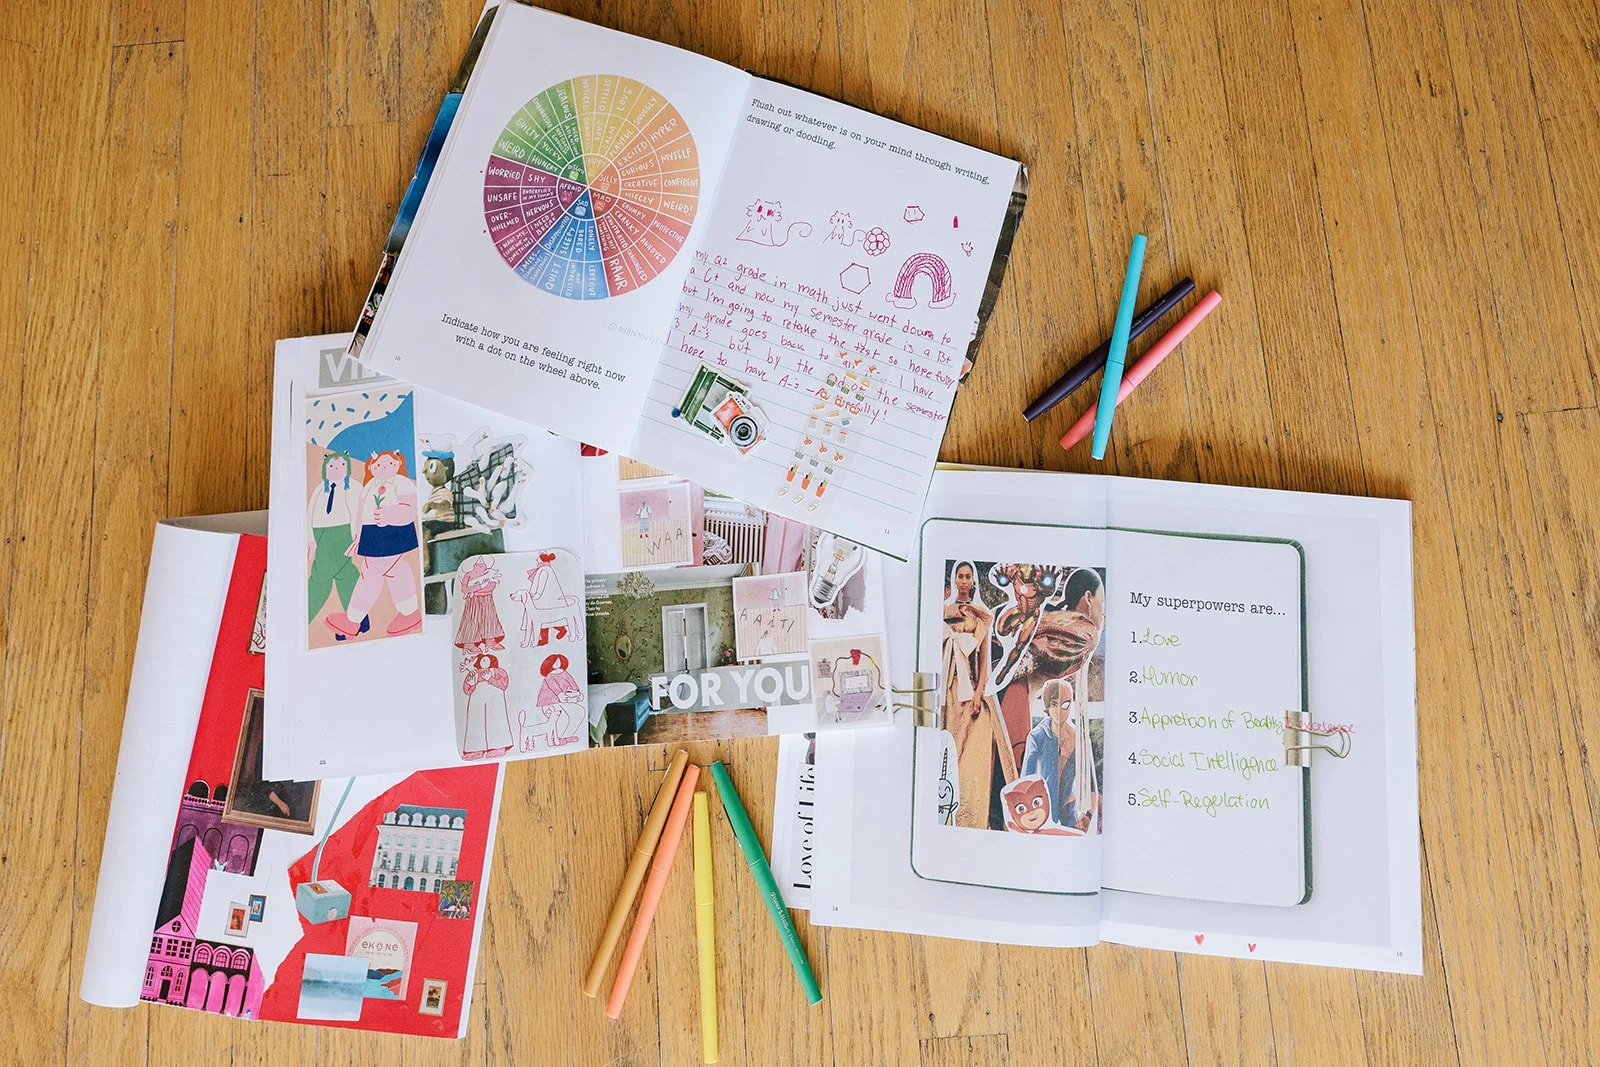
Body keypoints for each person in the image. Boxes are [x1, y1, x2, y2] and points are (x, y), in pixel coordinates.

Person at [939, 560, 1017, 829]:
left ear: (973, 581)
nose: (963, 581)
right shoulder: (943, 611)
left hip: (971, 690)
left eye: (967, 576)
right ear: (954, 579)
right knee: (947, 755)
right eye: (960, 576)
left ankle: (974, 820)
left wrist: (978, 692)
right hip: (948, 691)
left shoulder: (981, 614)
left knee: (973, 762)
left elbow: (985, 660)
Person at [326, 449, 422, 638]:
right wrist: (357, 537)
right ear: (371, 467)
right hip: (372, 535)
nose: (383, 467)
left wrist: (390, 514)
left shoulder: (402, 483)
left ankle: (352, 620)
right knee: (395, 570)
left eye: (389, 463)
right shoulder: (369, 485)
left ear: (398, 464)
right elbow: (360, 514)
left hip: (392, 532)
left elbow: (410, 509)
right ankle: (410, 613)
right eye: (378, 465)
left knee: (371, 574)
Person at [306, 451, 364, 635]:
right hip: (320, 532)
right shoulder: (320, 489)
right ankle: (359, 620)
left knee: (320, 575)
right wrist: (310, 539)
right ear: (325, 469)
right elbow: (310, 513)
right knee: (345, 574)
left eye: (341, 466)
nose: (336, 469)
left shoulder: (352, 487)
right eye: (331, 466)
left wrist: (358, 536)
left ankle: (302, 618)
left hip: (341, 532)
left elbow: (359, 512)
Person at [458, 652, 513, 759]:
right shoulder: (474, 672)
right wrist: (472, 684)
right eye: (482, 660)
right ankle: (475, 749)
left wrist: (490, 679)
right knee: (476, 721)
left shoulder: (498, 671)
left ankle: (498, 747)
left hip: (495, 697)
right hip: (477, 698)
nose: (484, 661)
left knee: (496, 719)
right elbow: (467, 690)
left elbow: (503, 685)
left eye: (487, 659)